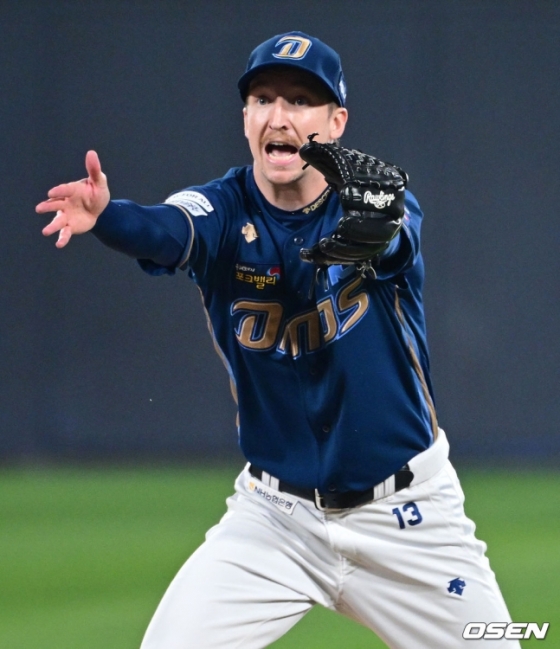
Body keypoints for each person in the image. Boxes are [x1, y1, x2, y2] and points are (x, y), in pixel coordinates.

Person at [36, 32, 518, 649]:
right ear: (245, 119)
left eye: (301, 100)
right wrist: (109, 217)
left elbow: (395, 239)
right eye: (263, 99)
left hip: (409, 516)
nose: (279, 116)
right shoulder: (223, 208)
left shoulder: (373, 202)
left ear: (336, 123)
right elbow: (166, 229)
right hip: (275, 522)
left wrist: (377, 229)